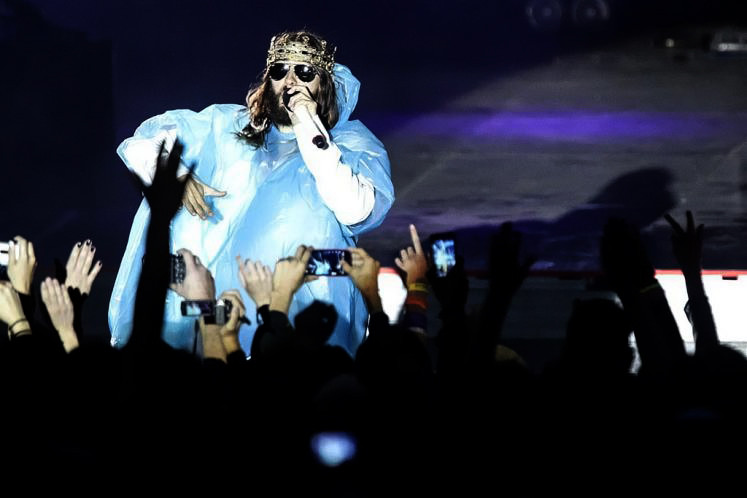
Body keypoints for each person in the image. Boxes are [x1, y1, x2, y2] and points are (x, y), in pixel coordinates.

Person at [109, 30, 394, 356]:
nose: (290, 81)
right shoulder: (228, 126)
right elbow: (141, 145)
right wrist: (178, 177)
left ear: (324, 85)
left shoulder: (348, 144)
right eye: (280, 70)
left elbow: (356, 210)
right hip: (215, 318)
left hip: (296, 332)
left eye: (304, 72)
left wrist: (306, 120)